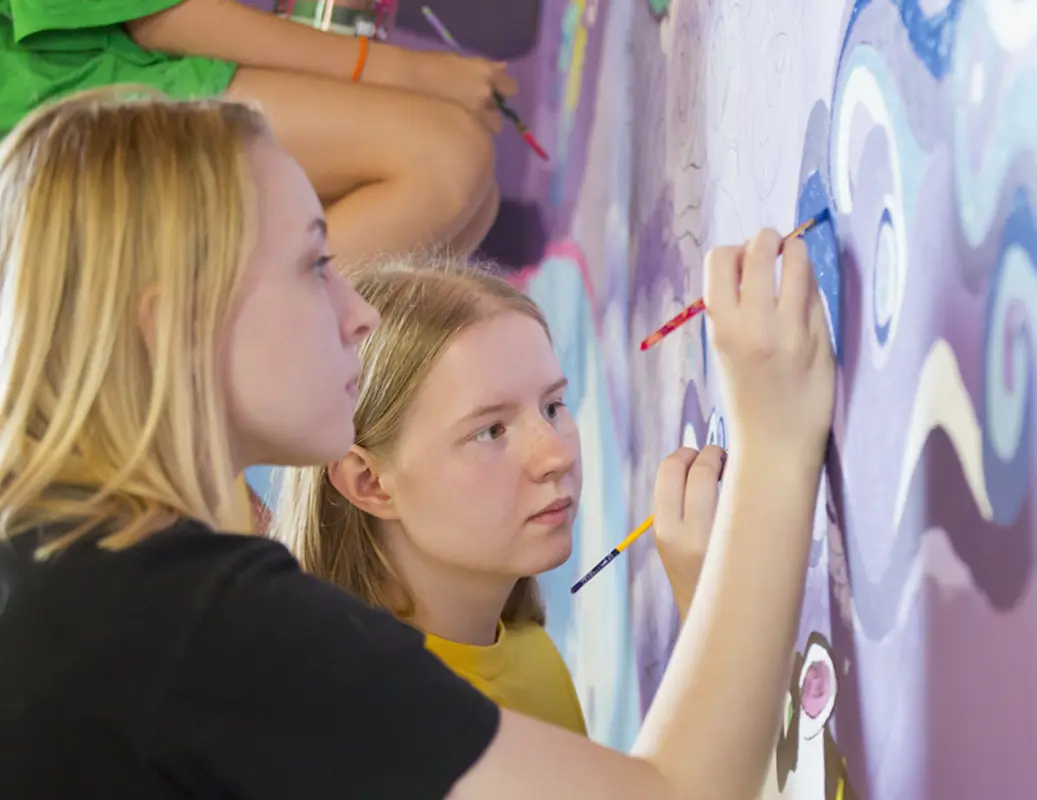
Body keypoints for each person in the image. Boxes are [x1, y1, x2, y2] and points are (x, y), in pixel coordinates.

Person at [0, 88, 835, 799]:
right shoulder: (183, 619)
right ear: (174, 327)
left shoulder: (66, 571)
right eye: (311, 264)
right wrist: (774, 439)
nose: (354, 314)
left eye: (552, 407)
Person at [270, 258, 721, 735]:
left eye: (552, 407)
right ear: (369, 482)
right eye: (491, 431)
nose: (555, 455)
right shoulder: (385, 719)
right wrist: (708, 600)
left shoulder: (528, 655)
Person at [0, 0, 515, 268]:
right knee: (445, 162)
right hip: (65, 116)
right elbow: (167, 19)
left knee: (469, 201)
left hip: (108, 76)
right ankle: (209, 361)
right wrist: (407, 72)